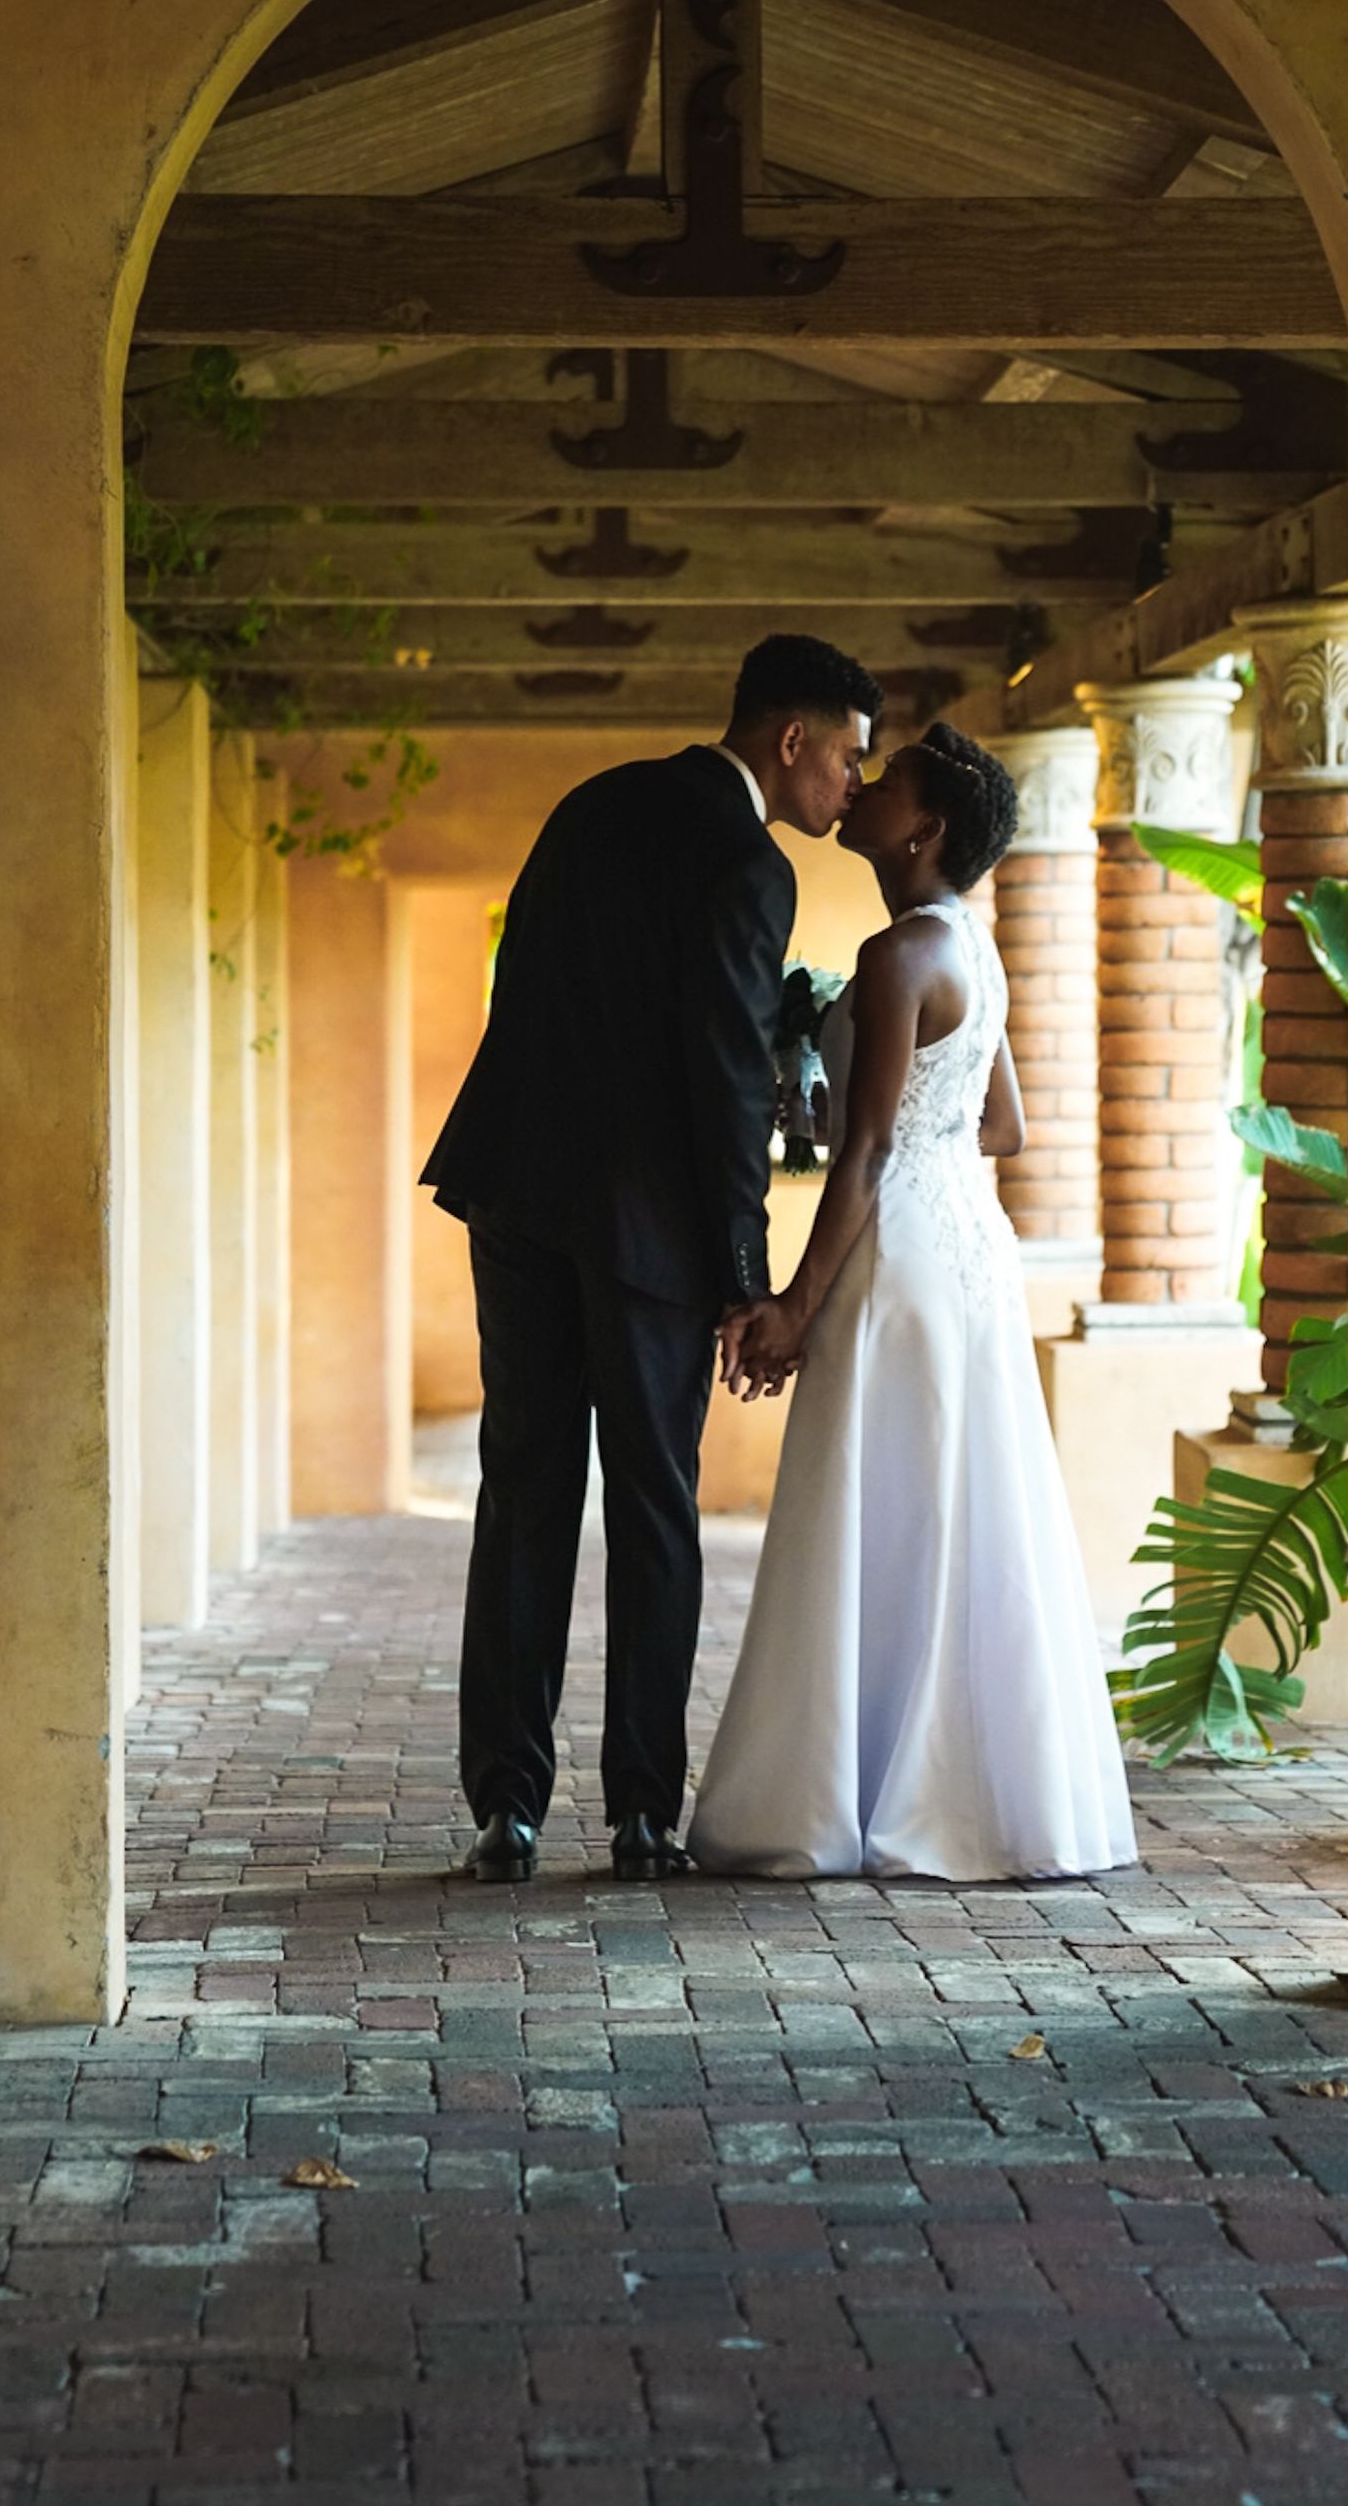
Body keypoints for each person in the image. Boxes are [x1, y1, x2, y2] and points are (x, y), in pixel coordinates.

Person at [420, 633, 883, 1882]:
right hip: (646, 1236)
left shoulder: (592, 804)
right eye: (846, 755)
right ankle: (640, 1815)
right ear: (791, 742)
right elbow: (728, 1078)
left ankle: (506, 1806)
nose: (851, 783)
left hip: (517, 1193)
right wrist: (746, 1272)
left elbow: (525, 992)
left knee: (522, 1490)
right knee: (651, 1505)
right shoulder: (744, 860)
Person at [689, 723, 1138, 1883]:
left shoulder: (896, 959)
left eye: (888, 785)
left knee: (873, 1498)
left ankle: (858, 1788)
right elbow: (1003, 1129)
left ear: (925, 832)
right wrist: (859, 1122)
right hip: (970, 1255)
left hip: (897, 1254)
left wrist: (792, 1301)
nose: (866, 790)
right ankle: (976, 1793)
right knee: (955, 1502)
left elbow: (872, 1148)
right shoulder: (969, 950)